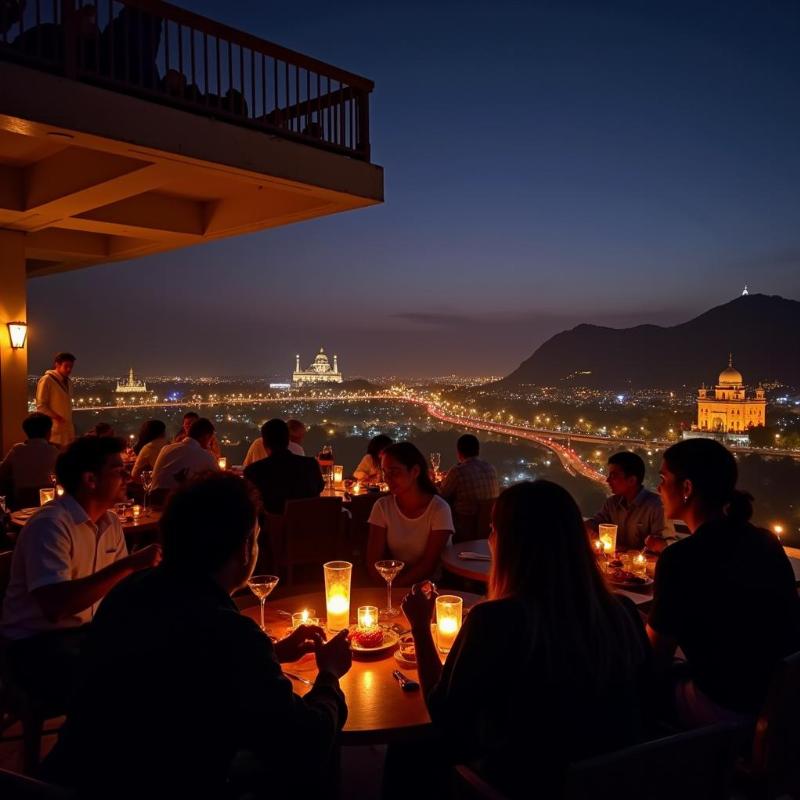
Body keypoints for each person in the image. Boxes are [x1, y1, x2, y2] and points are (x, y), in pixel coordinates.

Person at [42, 473, 351, 799]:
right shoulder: (230, 631)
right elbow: (304, 741)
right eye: (257, 538)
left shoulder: (128, 592)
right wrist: (329, 675)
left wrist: (272, 653)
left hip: (73, 778)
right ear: (246, 547)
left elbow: (185, 667)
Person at [400, 480, 650, 798]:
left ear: (510, 544)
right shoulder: (621, 613)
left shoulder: (496, 621)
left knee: (406, 751)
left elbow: (445, 717)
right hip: (610, 782)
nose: (490, 538)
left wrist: (421, 628)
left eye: (494, 529)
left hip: (524, 783)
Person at [0, 436, 162, 712]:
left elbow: (118, 592)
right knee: (125, 679)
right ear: (90, 480)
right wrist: (128, 565)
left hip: (85, 636)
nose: (127, 476)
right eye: (118, 470)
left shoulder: (109, 521)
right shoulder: (51, 525)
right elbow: (56, 607)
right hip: (35, 647)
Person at [647, 438, 800, 728]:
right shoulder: (764, 541)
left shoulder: (681, 557)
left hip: (728, 709)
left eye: (664, 479)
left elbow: (656, 656)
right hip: (779, 700)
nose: (658, 488)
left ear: (687, 489)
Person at [366, 442, 454, 586]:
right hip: (392, 584)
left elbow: (428, 565)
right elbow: (373, 562)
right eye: (385, 472)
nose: (387, 479)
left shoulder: (439, 510)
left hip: (433, 587)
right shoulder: (382, 507)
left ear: (415, 471)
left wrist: (396, 587)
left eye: (394, 472)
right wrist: (385, 590)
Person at [586, 451, 667, 551]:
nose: (607, 480)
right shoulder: (612, 504)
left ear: (632, 480)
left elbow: (663, 545)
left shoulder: (656, 506)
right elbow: (595, 523)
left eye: (613, 476)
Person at [244, 419, 323, 515]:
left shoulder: (253, 472)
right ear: (288, 440)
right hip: (308, 527)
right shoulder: (311, 465)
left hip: (273, 528)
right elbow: (318, 491)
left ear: (264, 443)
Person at [439, 434, 499, 540]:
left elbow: (442, 496)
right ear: (478, 450)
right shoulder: (491, 468)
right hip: (487, 529)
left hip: (463, 529)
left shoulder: (458, 471)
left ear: (459, 453)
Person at [0, 413, 59, 509]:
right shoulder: (54, 451)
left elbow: (2, 471)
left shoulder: (16, 449)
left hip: (21, 503)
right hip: (49, 501)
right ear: (48, 432)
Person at [151, 417, 218, 492]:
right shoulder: (205, 455)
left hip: (154, 499)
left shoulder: (165, 449)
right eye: (210, 439)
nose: (209, 443)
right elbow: (218, 480)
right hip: (179, 501)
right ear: (206, 436)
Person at [35, 352, 76, 447]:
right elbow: (41, 406)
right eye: (66, 366)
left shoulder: (69, 383)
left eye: (71, 366)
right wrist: (57, 417)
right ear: (57, 364)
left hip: (67, 430)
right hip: (54, 431)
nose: (69, 369)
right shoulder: (47, 380)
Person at [243, 418, 308, 466]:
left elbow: (245, 466)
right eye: (298, 438)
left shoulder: (257, 443)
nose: (300, 441)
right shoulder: (297, 449)